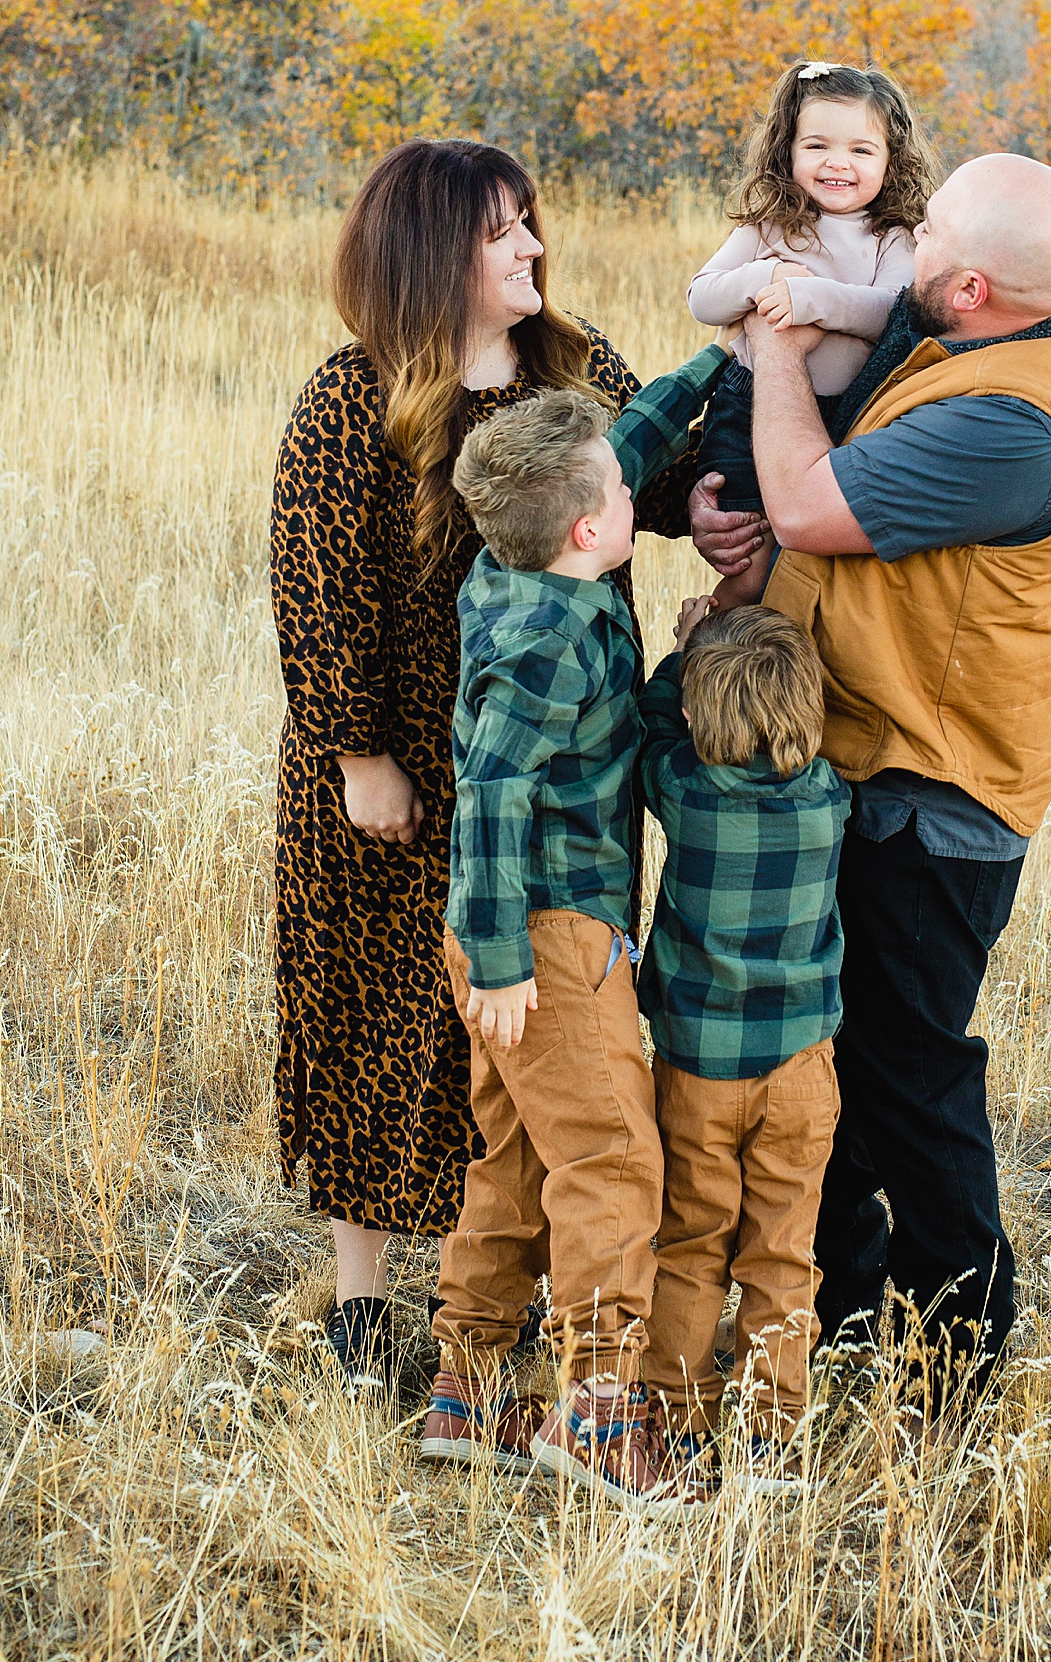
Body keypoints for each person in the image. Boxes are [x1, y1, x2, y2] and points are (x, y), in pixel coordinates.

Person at [688, 152, 1051, 1396]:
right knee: (843, 1062)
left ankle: (955, 1357)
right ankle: (835, 1313)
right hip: (880, 756)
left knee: (904, 1071)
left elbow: (814, 503)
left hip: (935, 795)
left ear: (974, 286)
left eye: (925, 234)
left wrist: (777, 338)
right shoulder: (1011, 337)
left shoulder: (1014, 421)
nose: (904, 242)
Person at [270, 139, 697, 1390]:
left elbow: (652, 473)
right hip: (390, 770)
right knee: (376, 1014)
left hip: (551, 772)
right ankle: (362, 1300)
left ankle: (493, 1312)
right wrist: (359, 754)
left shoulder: (572, 365)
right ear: (431, 254)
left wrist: (713, 504)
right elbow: (314, 587)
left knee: (518, 1045)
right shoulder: (351, 399)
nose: (531, 248)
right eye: (502, 231)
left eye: (530, 224)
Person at [421, 353, 728, 1509]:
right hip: (542, 934)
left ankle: (474, 1383)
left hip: (514, 930)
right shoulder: (549, 639)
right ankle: (600, 1410)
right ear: (599, 530)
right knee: (610, 1157)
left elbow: (623, 451)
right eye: (620, 493)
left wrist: (716, 362)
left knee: (515, 1153)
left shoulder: (527, 558)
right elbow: (494, 789)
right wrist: (502, 957)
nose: (635, 489)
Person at [636, 601, 849, 1477]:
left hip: (698, 1070)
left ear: (697, 714)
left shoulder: (684, 791)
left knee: (690, 1243)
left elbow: (650, 727)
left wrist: (681, 653)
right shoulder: (830, 797)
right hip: (802, 1072)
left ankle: (681, 1422)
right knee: (781, 1251)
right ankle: (772, 1437)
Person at [685, 60, 928, 601]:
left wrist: (814, 299)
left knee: (809, 563)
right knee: (748, 558)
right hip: (746, 408)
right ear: (787, 151)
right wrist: (770, 275)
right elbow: (702, 295)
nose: (837, 164)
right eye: (817, 146)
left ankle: (774, 666)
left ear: (892, 160)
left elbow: (893, 312)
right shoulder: (769, 223)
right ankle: (706, 655)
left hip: (848, 416)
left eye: (861, 151)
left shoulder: (893, 237)